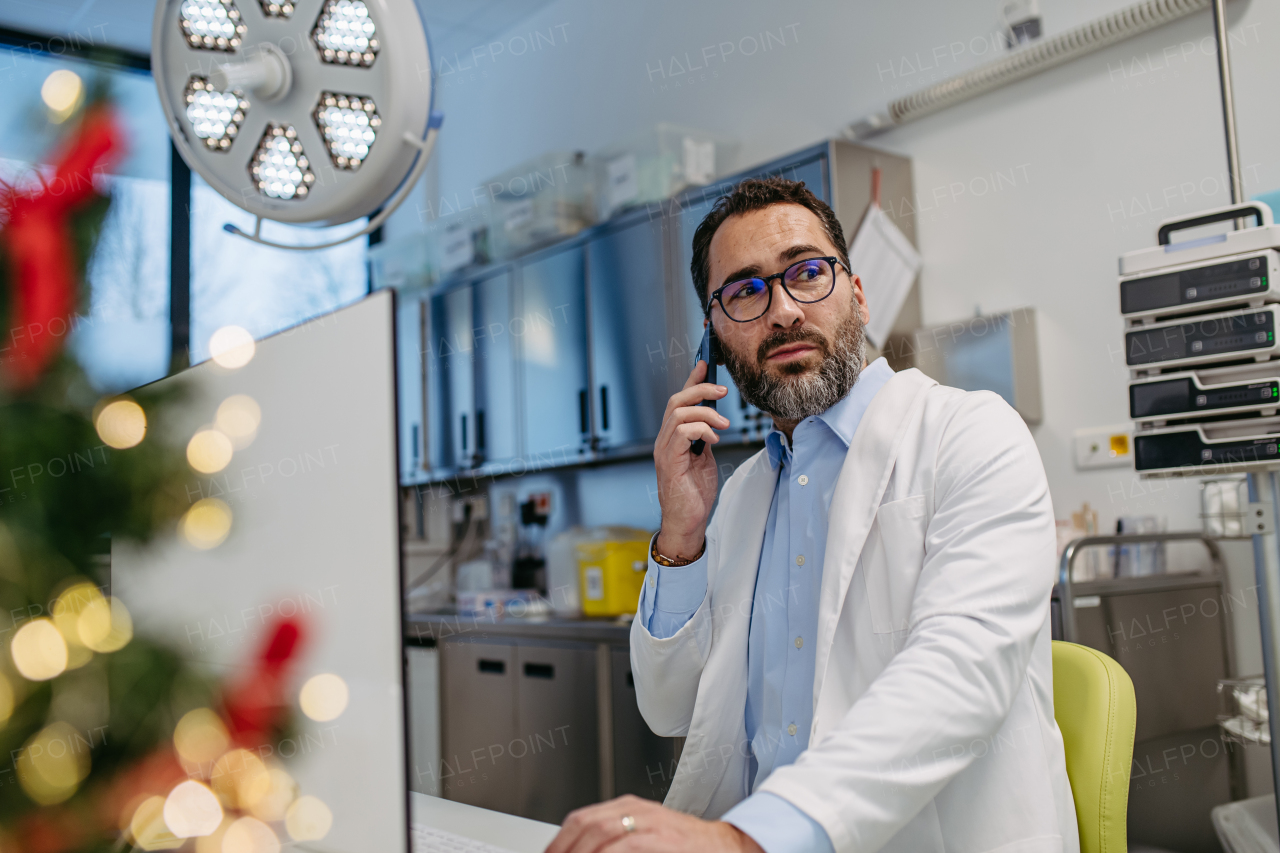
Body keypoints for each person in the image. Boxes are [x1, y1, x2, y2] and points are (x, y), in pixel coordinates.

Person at [545, 178, 1078, 853]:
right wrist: (679, 533)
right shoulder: (738, 498)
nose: (784, 310)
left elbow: (960, 673)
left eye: (807, 272)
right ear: (714, 335)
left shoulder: (970, 434)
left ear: (856, 293)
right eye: (745, 291)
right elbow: (668, 704)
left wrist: (747, 837)